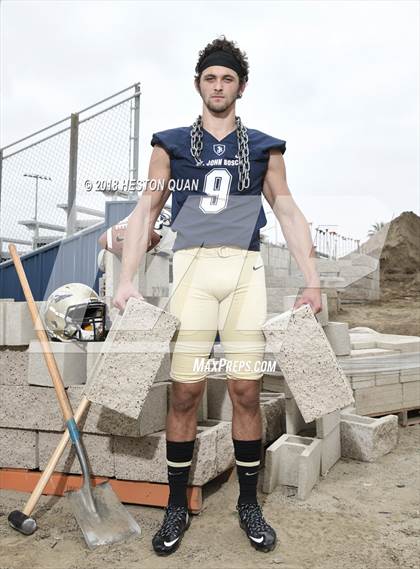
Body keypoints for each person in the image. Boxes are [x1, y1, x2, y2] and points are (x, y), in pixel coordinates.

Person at [113, 36, 322, 556]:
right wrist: (127, 278)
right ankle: (177, 505)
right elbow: (144, 212)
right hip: (192, 270)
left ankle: (248, 504)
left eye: (227, 78)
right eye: (211, 78)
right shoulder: (171, 144)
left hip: (245, 273)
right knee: (184, 391)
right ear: (198, 85)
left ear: (241, 87)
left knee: (246, 391)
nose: (219, 86)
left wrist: (312, 278)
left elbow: (289, 213)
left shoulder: (266, 148)